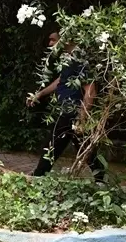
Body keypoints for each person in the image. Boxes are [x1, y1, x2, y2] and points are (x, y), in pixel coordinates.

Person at [27, 31, 95, 176]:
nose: (50, 44)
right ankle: (101, 177)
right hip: (67, 109)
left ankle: (39, 176)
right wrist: (40, 94)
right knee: (84, 146)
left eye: (53, 40)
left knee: (53, 144)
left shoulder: (81, 60)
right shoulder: (68, 59)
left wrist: (81, 117)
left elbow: (90, 90)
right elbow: (61, 81)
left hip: (72, 110)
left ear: (66, 40)